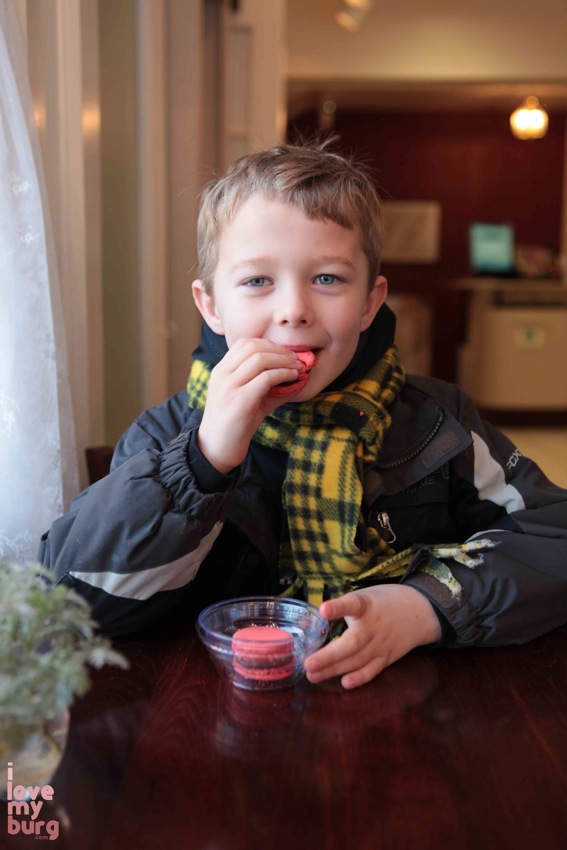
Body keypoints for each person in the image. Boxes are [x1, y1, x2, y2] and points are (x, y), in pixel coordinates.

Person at [39, 142, 567, 690]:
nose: (293, 310)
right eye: (257, 281)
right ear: (212, 306)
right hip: (213, 704)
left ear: (369, 303)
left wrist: (426, 606)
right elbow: (71, 603)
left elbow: (553, 537)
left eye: (327, 279)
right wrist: (202, 461)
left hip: (400, 703)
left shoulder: (439, 422)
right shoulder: (164, 436)